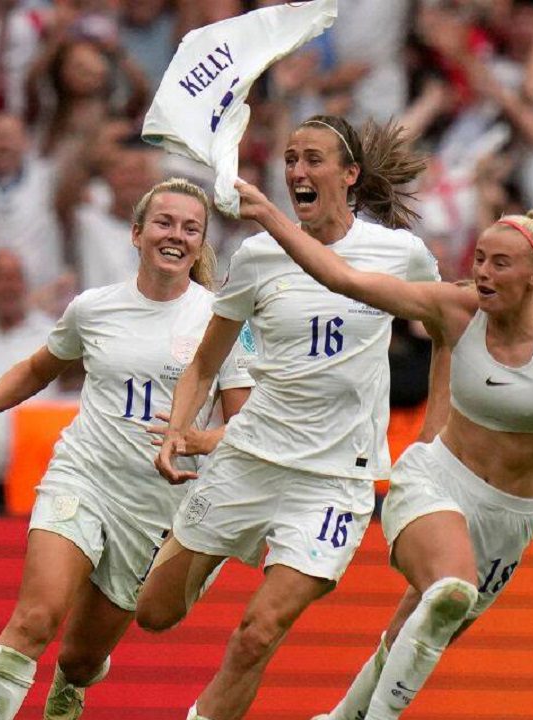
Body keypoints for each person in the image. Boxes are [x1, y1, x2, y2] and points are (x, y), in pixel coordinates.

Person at [230, 181, 533, 719]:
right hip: (436, 480)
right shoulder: (455, 309)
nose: (484, 273)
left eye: (500, 263)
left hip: (510, 519)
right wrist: (268, 215)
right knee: (450, 590)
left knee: (415, 631)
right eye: (480, 259)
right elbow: (343, 278)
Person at [135, 115, 440, 720]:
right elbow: (207, 361)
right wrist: (176, 431)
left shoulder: (399, 254)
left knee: (256, 634)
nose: (298, 171)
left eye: (313, 159)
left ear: (349, 175)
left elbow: (450, 329)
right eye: (291, 159)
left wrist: (437, 435)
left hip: (333, 481)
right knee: (154, 613)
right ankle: (218, 546)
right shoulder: (256, 257)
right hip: (248, 459)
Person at [0, 178, 254, 720]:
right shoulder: (94, 308)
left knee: (80, 659)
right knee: (35, 619)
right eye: (164, 223)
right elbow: (40, 366)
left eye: (189, 228)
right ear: (136, 233)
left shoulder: (221, 320)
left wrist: (197, 439)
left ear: (201, 243)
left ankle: (70, 687)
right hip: (84, 477)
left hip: (156, 508)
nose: (175, 236)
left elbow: (247, 426)